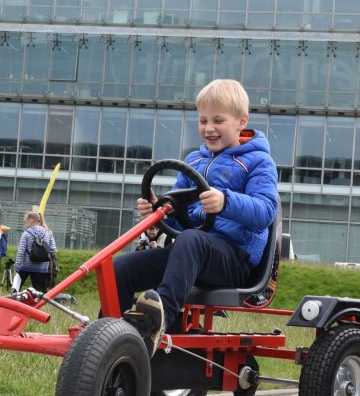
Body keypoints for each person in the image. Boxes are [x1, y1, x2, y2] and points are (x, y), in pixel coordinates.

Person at [113, 79, 279, 355]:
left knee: (191, 240)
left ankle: (157, 320)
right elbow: (180, 218)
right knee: (121, 268)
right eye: (203, 120)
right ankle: (108, 337)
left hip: (234, 259)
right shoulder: (194, 162)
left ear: (241, 121)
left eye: (218, 120)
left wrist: (225, 201)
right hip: (191, 253)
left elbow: (265, 212)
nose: (209, 128)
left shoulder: (258, 162)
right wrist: (159, 209)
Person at [14, 211, 57, 293]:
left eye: (25, 221)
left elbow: (21, 252)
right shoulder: (48, 232)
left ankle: (12, 304)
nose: (24, 223)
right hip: (42, 268)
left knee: (16, 290)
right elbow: (53, 250)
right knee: (37, 293)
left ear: (30, 220)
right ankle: (33, 305)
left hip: (25, 266)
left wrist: (16, 268)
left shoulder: (26, 234)